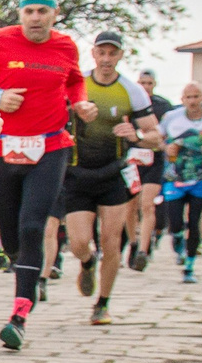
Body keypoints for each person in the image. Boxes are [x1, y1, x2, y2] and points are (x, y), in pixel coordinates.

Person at [0, 0, 83, 350]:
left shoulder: (65, 47)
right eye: (29, 11)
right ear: (20, 14)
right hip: (3, 148)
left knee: (33, 227)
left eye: (42, 11)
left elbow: (76, 81)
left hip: (49, 146)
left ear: (54, 14)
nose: (35, 18)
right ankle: (21, 265)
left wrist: (81, 103)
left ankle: (19, 315)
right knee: (11, 235)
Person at [58, 29, 161, 326]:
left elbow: (156, 137)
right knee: (78, 242)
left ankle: (102, 304)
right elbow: (52, 114)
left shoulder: (131, 90)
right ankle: (87, 263)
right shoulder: (78, 83)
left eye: (112, 53)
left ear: (120, 55)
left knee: (111, 240)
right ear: (93, 53)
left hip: (113, 172)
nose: (106, 59)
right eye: (101, 52)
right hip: (77, 172)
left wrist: (138, 134)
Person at [157, 82, 202, 283]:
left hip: (200, 178)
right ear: (182, 100)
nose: (193, 101)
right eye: (189, 97)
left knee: (194, 222)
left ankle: (189, 266)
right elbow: (157, 139)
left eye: (196, 97)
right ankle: (178, 239)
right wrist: (165, 148)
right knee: (175, 222)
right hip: (174, 178)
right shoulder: (171, 118)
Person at [130, 68, 170, 268]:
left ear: (154, 84)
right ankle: (132, 242)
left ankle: (143, 251)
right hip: (132, 159)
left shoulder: (163, 106)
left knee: (147, 205)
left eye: (149, 84)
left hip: (154, 159)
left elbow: (170, 132)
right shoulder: (130, 102)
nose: (145, 87)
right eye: (142, 83)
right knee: (131, 206)